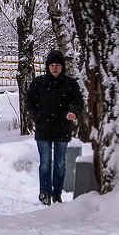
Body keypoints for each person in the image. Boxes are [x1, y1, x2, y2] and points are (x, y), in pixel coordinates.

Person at [25, 49, 84, 205]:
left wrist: (73, 112)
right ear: (47, 67)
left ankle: (57, 193)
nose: (54, 68)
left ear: (62, 66)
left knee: (60, 163)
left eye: (57, 64)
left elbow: (78, 102)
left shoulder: (70, 84)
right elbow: (30, 102)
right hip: (43, 128)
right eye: (51, 65)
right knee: (45, 162)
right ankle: (44, 192)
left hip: (62, 129)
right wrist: (37, 117)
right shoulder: (39, 83)